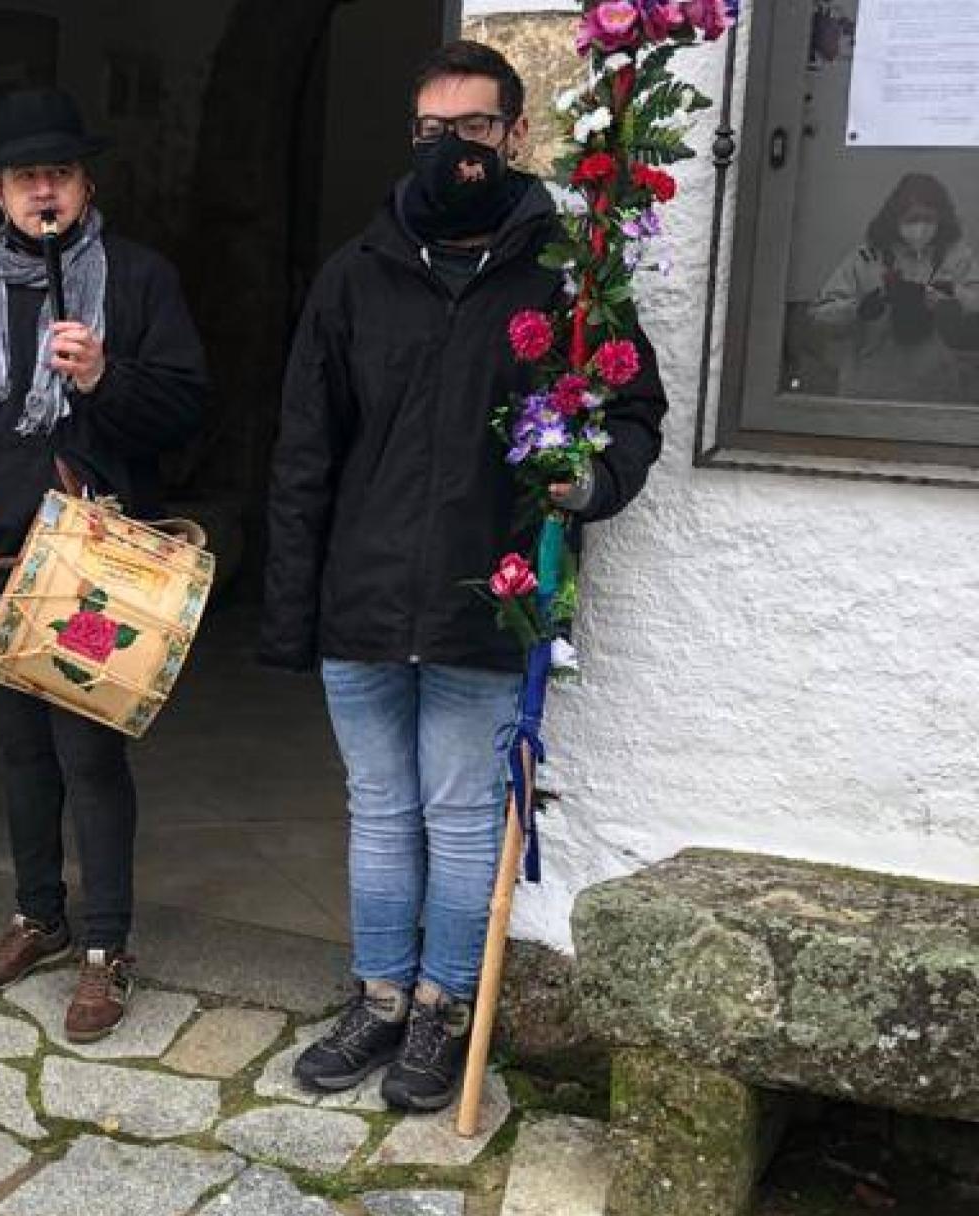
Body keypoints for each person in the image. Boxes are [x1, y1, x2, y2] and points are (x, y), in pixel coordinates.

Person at [261, 42, 667, 1111]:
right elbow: (305, 450)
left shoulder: (573, 278)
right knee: (381, 810)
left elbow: (632, 410)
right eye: (432, 134)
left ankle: (441, 1010)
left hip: (487, 600)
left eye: (474, 131)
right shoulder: (359, 273)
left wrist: (589, 485)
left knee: (461, 813)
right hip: (364, 596)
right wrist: (291, 610)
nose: (454, 152)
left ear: (515, 134)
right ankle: (382, 997)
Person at [0, 87, 208, 1042]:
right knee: (21, 757)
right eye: (26, 178)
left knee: (90, 757)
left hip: (92, 571)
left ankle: (106, 948)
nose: (43, 192)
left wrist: (107, 377)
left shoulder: (141, 281)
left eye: (58, 176)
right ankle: (39, 917)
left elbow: (190, 415)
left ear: (84, 184)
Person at [808, 172, 979, 404]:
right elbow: (819, 314)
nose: (920, 227)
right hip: (869, 392)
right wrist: (859, 309)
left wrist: (950, 296)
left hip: (936, 393)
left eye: (928, 218)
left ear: (941, 218)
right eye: (912, 218)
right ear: (895, 217)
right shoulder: (866, 257)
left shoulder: (957, 257)